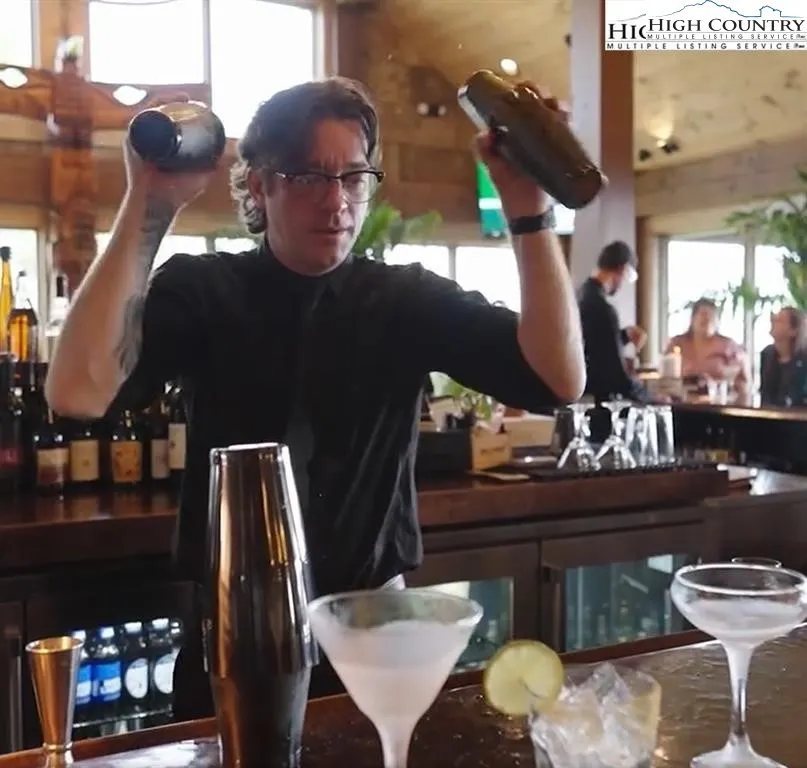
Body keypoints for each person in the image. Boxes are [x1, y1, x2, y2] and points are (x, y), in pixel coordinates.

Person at [44, 77, 584, 717]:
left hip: (377, 637)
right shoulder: (205, 291)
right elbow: (76, 392)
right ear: (260, 185)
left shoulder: (404, 299)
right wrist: (149, 203)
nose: (338, 202)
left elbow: (557, 379)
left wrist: (528, 210)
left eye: (354, 177)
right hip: (235, 631)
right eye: (309, 177)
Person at [577, 240, 648, 402]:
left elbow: (593, 345)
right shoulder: (602, 308)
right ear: (623, 269)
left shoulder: (580, 295)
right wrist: (650, 397)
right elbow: (615, 376)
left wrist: (623, 335)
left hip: (576, 394)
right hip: (593, 399)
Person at [665, 298, 749, 404]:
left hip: (719, 404)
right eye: (703, 314)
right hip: (681, 403)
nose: (707, 319)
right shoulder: (677, 343)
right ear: (692, 319)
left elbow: (742, 380)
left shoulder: (728, 345)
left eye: (711, 316)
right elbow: (666, 377)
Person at [760, 307, 807, 407]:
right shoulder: (767, 354)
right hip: (769, 414)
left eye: (779, 320)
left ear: (793, 331)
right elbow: (765, 394)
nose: (773, 320)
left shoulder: (804, 359)